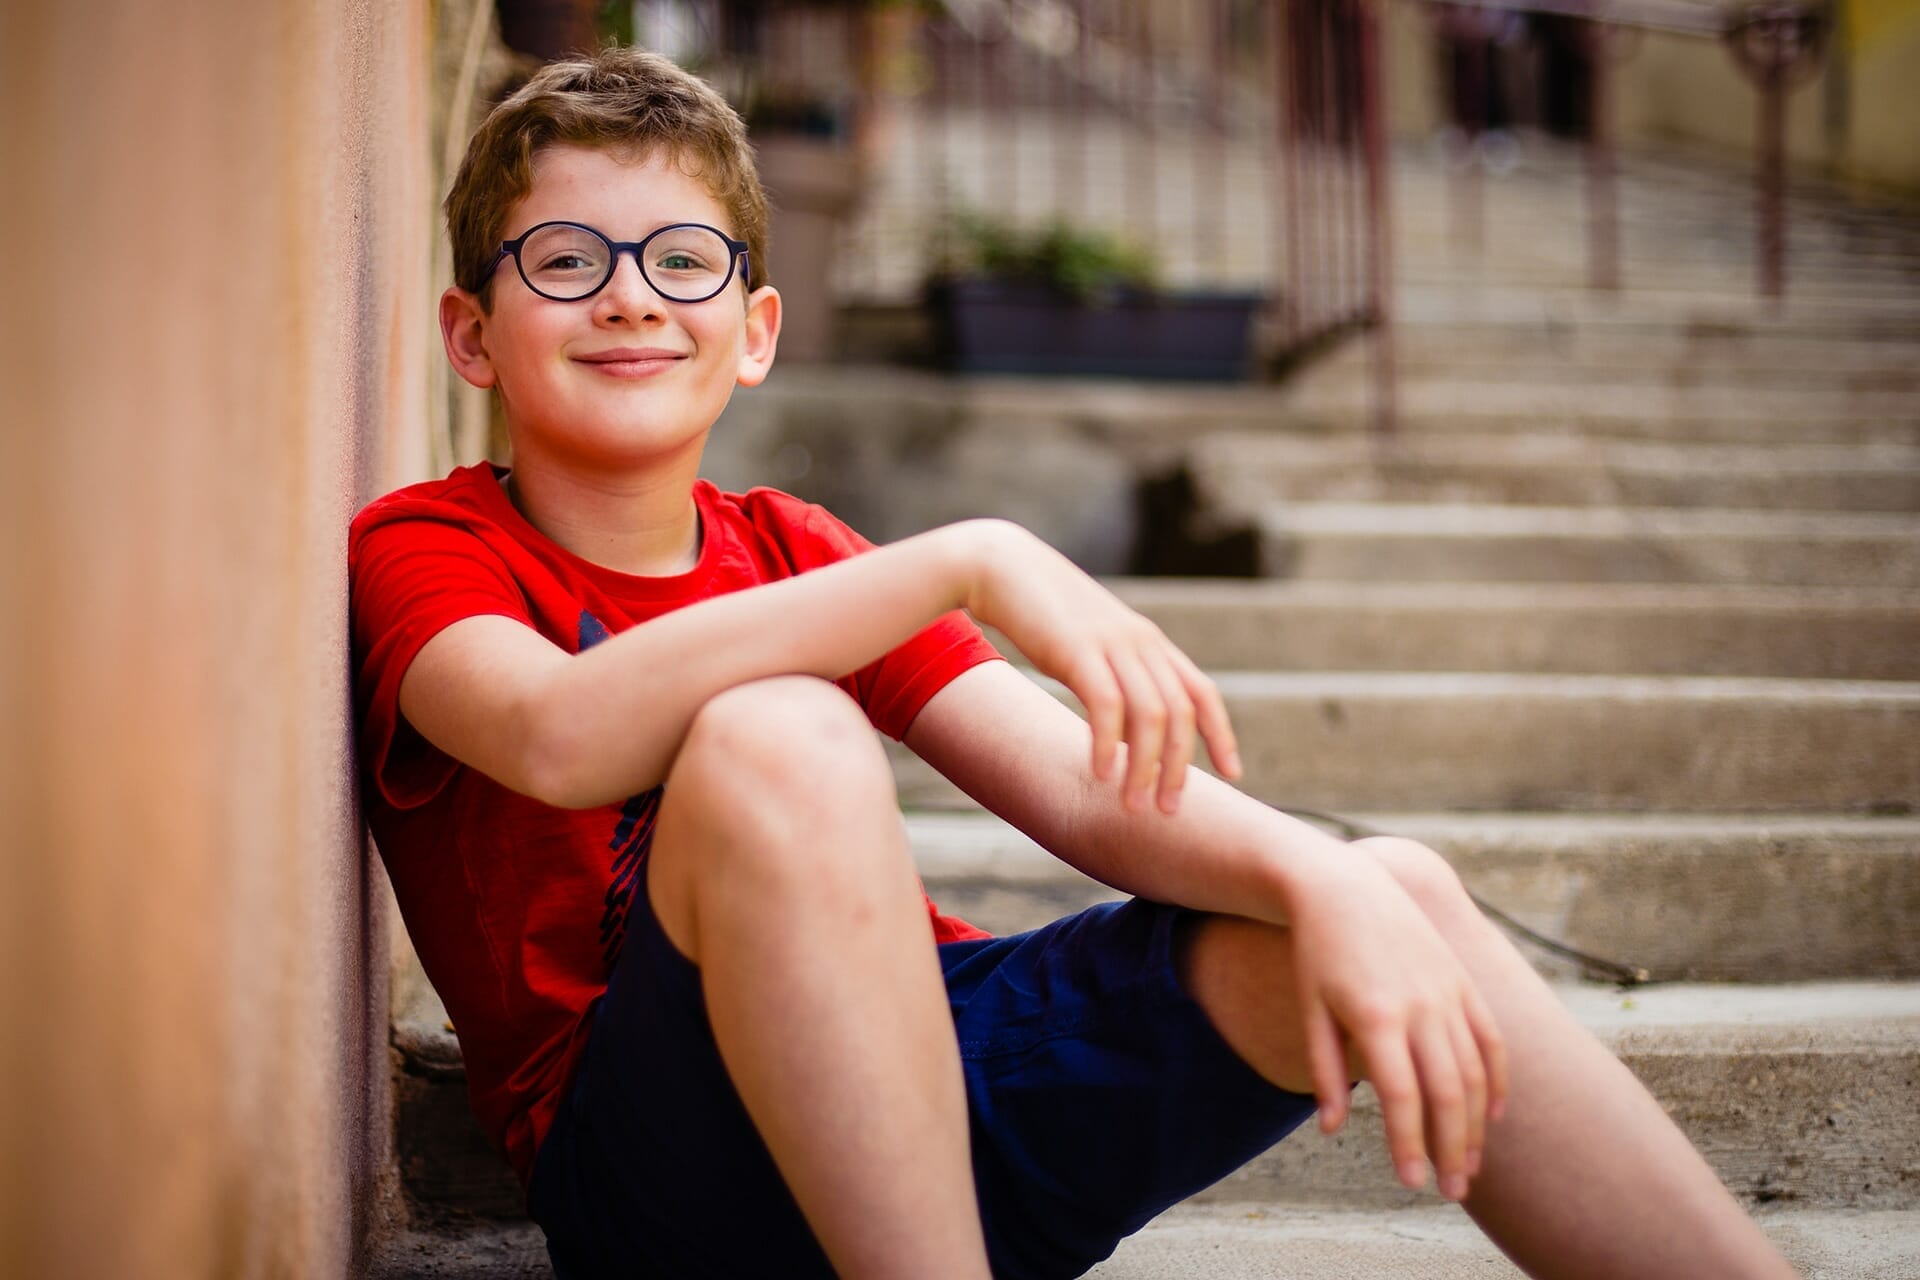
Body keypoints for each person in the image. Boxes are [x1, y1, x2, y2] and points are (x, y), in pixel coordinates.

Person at [349, 45, 1799, 1280]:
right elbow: (553, 734)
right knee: (777, 732)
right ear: (474, 335)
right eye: (564, 260)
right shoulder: (429, 545)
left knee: (1387, 889)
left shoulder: (794, 546)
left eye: (682, 259)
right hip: (665, 1168)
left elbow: (1082, 792)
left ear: (756, 332)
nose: (628, 296)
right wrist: (972, 556)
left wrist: (1321, 879)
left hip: (939, 1083)